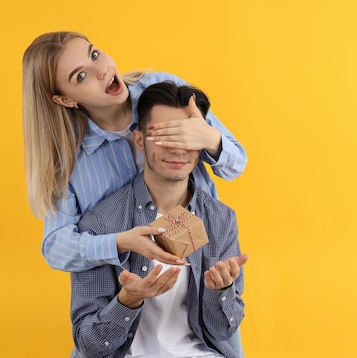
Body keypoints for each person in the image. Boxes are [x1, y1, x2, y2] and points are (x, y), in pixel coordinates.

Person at [22, 31, 247, 357]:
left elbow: (235, 164)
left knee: (217, 330)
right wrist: (121, 242)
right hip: (120, 288)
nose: (101, 71)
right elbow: (56, 247)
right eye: (81, 76)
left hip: (196, 251)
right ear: (65, 99)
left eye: (95, 54)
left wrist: (209, 137)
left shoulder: (161, 91)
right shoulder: (71, 160)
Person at [71, 82, 247, 358]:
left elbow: (223, 332)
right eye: (165, 135)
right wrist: (127, 300)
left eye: (186, 137)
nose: (177, 148)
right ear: (139, 141)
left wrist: (220, 291)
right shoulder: (100, 225)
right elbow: (89, 344)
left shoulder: (220, 220)